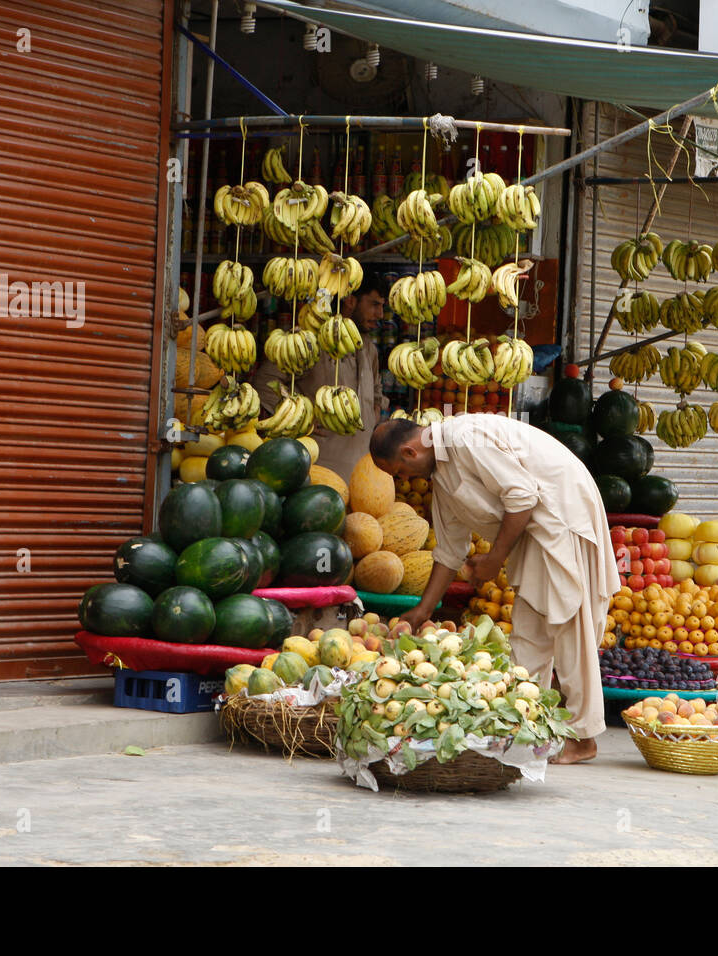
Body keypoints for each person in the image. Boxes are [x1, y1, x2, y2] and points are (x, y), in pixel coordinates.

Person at [370, 415, 620, 765]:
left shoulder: (465, 437)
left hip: (561, 515)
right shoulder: (442, 477)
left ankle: (583, 737)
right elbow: (449, 550)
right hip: (535, 533)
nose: (403, 480)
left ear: (411, 452)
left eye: (398, 471)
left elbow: (522, 496)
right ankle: (526, 723)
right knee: (529, 632)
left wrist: (493, 559)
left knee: (568, 623)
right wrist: (422, 611)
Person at [253, 274, 389, 480]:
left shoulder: (368, 348)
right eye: (374, 304)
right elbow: (264, 381)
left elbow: (377, 391)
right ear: (351, 301)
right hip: (319, 469)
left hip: (362, 473)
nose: (380, 314)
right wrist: (302, 417)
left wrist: (373, 414)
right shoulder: (311, 342)